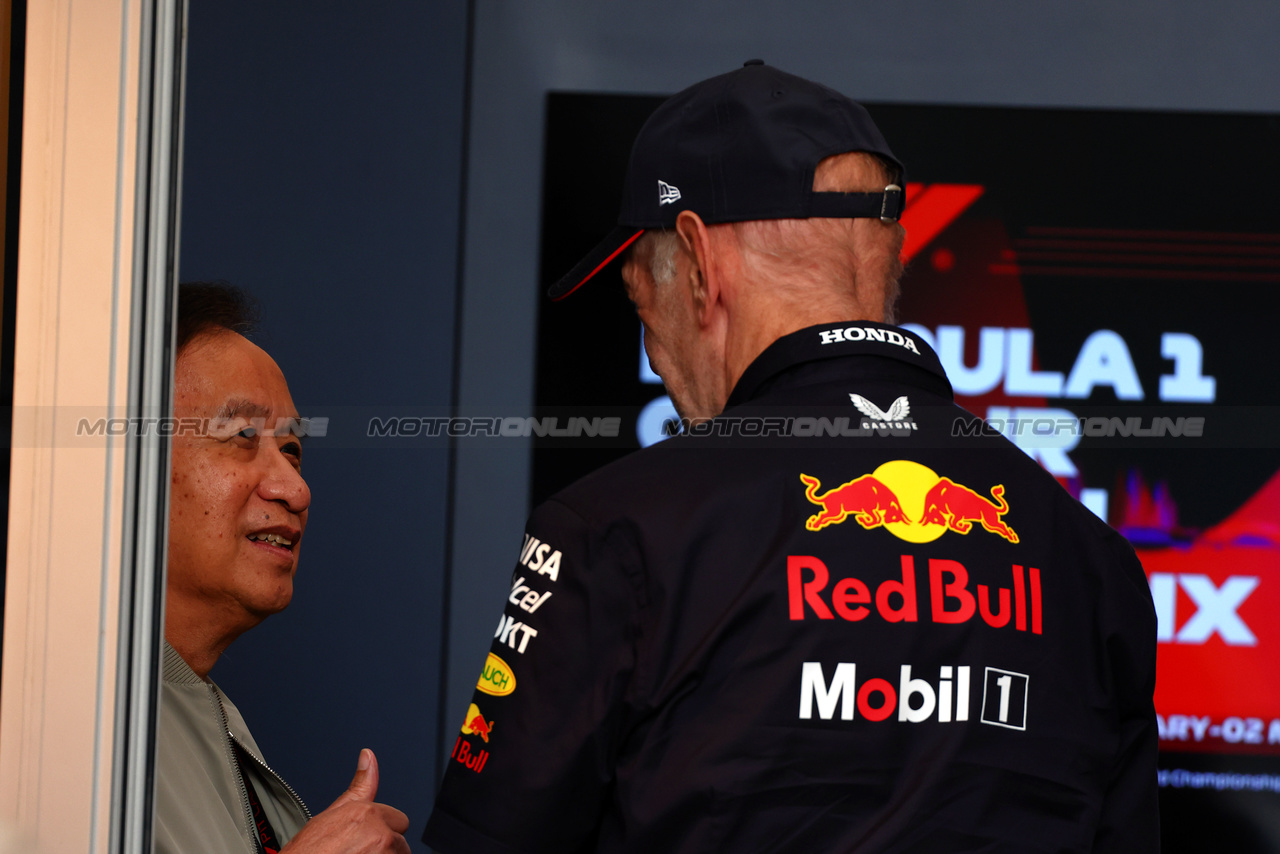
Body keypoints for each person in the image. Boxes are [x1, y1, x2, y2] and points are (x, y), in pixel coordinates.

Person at [424, 62, 1158, 853]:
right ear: (887, 258)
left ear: (701, 266)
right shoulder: (1091, 559)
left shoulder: (610, 531)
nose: (656, 355)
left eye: (643, 305)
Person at [156, 283, 410, 854]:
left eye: (292, 450)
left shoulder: (202, 714)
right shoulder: (44, 721)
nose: (295, 489)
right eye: (243, 436)